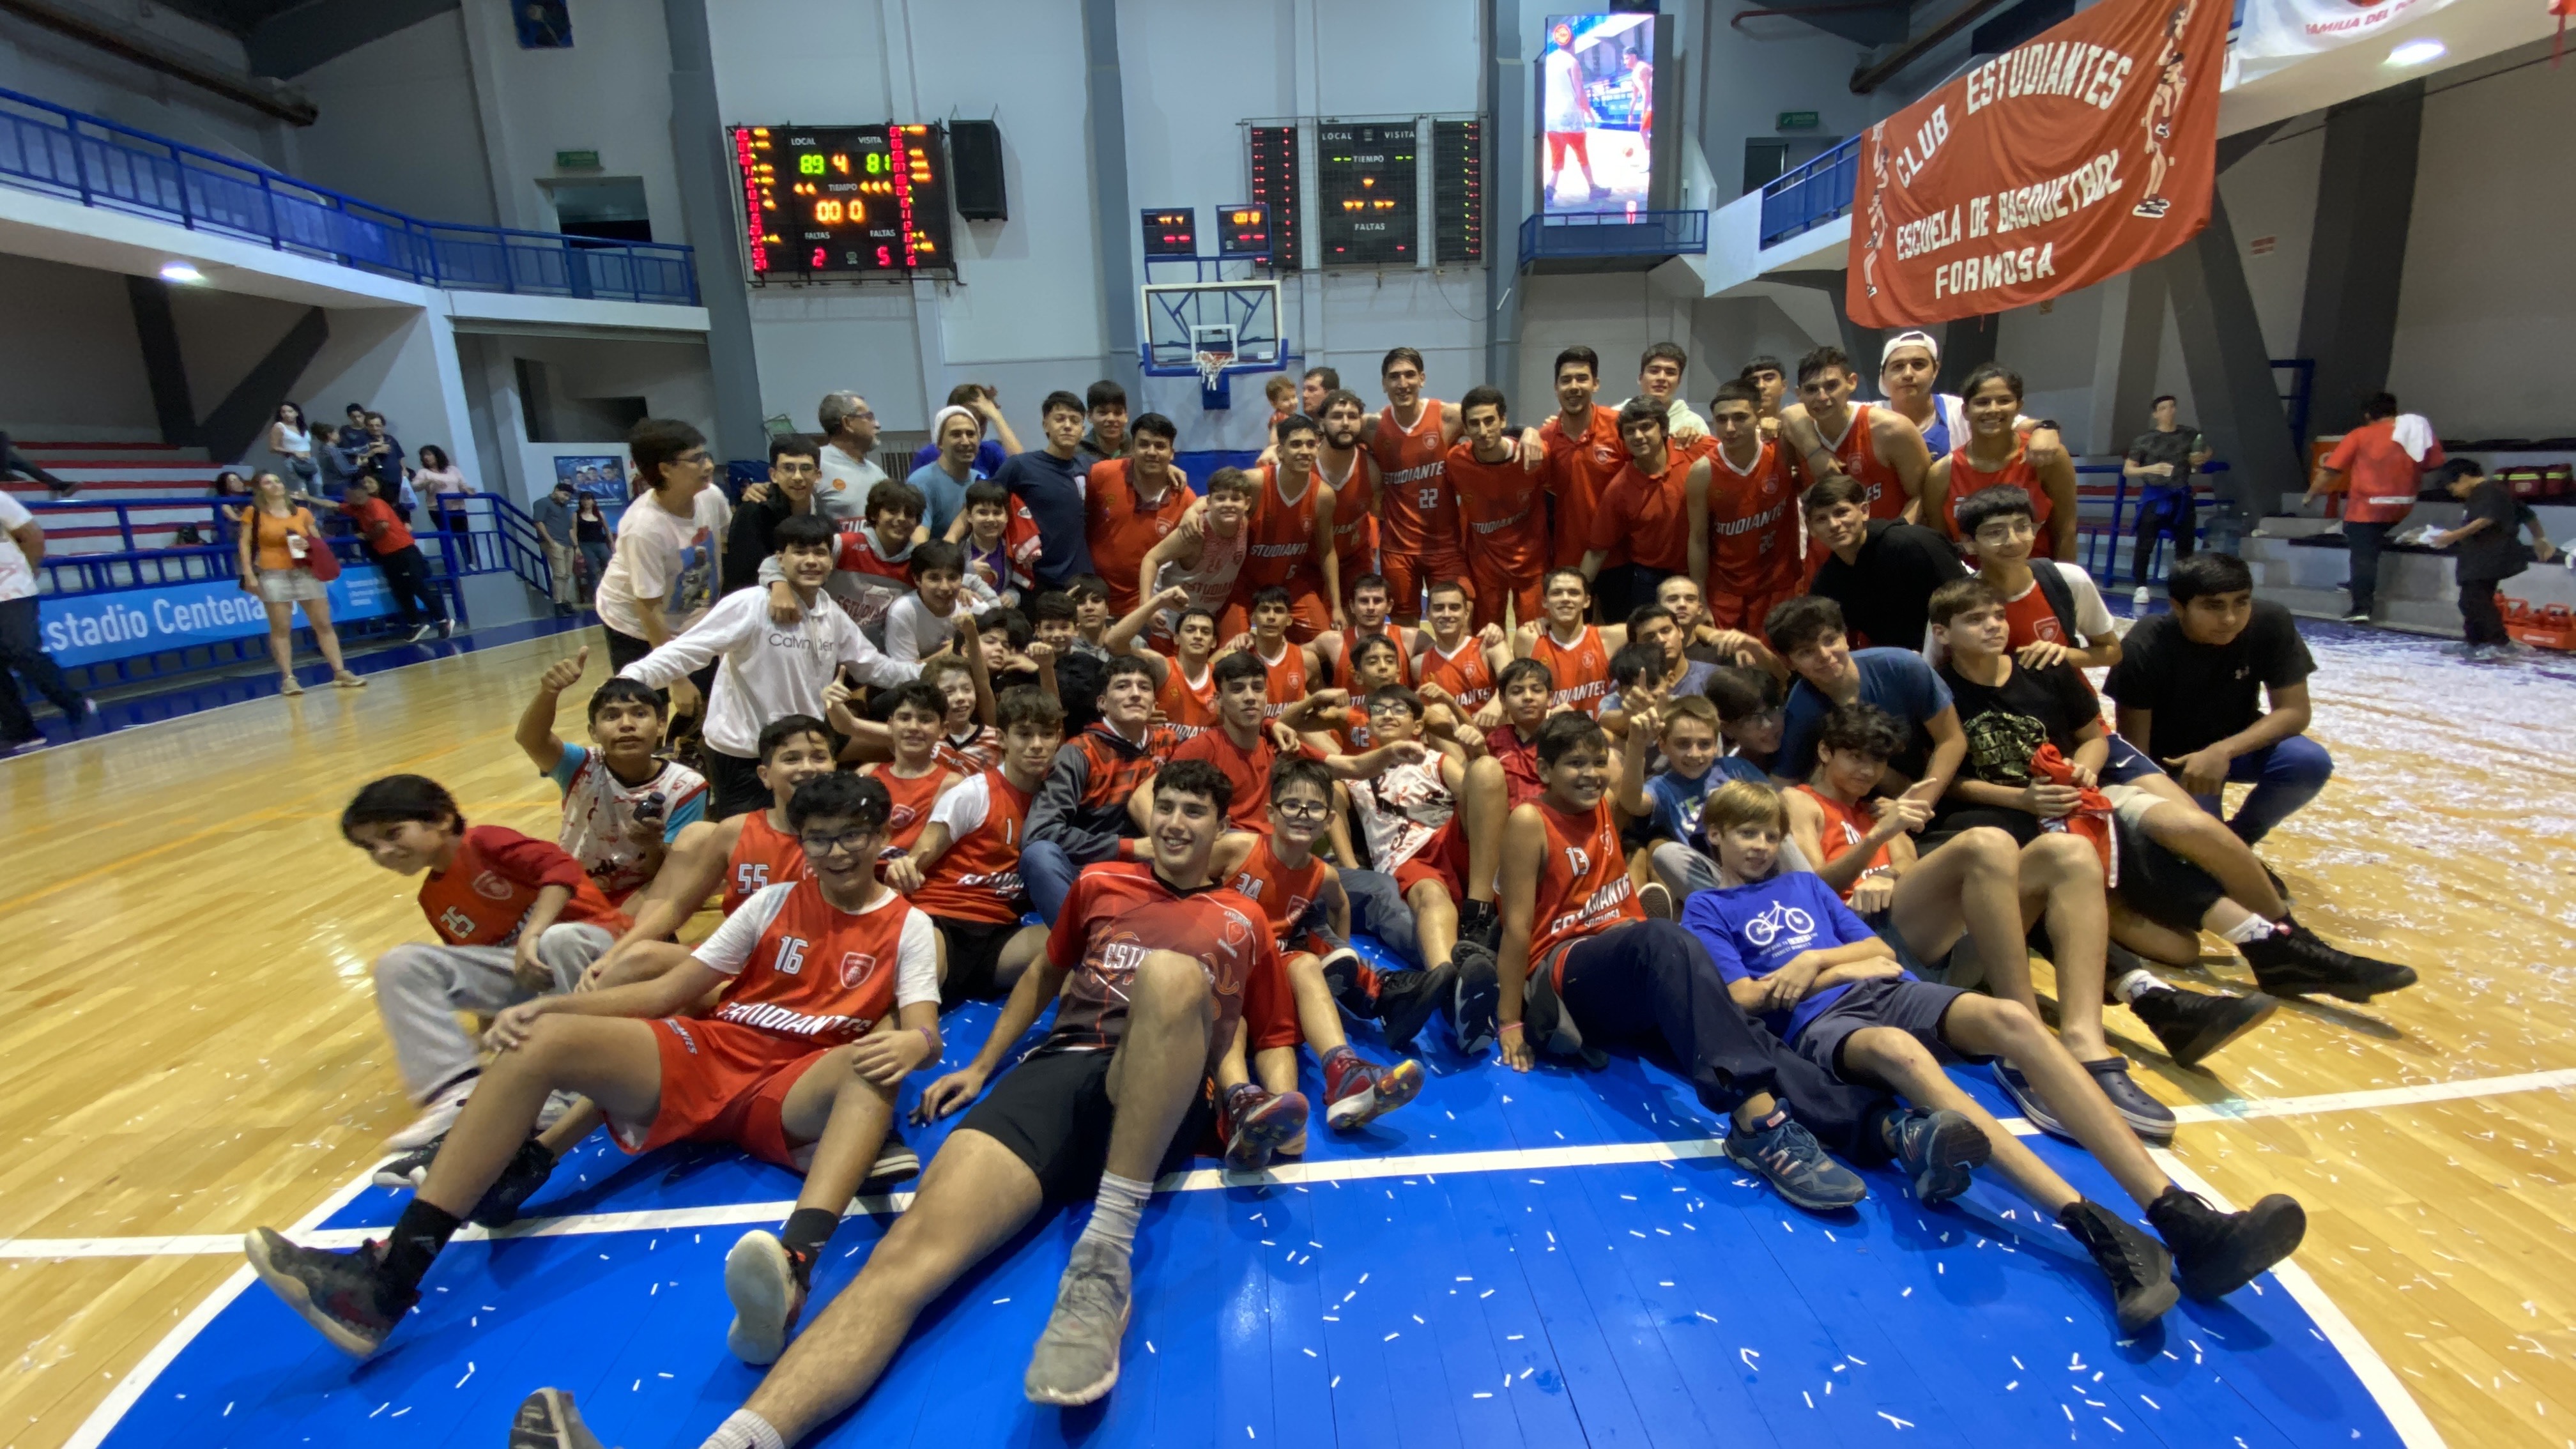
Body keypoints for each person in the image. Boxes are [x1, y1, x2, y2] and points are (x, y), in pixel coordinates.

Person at [505, 759, 1282, 1449]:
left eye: (1196, 813)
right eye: (1168, 809)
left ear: (1222, 831)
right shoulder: (1101, 885)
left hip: (1161, 1094)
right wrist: (981, 1064)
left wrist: (1271, 1102)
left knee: (1172, 978)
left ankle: (1105, 1253)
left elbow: (1272, 1029)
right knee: (902, 1260)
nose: (1178, 823)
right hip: (1058, 1073)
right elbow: (1045, 980)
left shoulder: (1244, 921)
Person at [247, 775, 940, 1363]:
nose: (837, 850)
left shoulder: (907, 925)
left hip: (794, 1085)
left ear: (882, 838)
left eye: (853, 834)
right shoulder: (771, 903)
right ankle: (388, 1282)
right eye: (819, 837)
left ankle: (794, 1267)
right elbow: (670, 994)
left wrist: (914, 1047)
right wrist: (554, 1013)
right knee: (540, 1044)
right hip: (716, 1051)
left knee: (870, 1066)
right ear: (802, 843)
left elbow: (922, 1034)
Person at [1681, 780, 2306, 1331]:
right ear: (1716, 836)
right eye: (1746, 834)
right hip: (1825, 1026)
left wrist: (1812, 961)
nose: (1761, 845)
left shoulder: (1805, 887)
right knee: (1899, 1053)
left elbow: (1884, 957)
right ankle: (2099, 1233)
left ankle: (2181, 1217)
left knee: (2012, 1016)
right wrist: (1821, 973)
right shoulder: (1708, 907)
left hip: (1889, 991)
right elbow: (1746, 995)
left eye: (1770, 834)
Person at [1487, 712, 1883, 1211]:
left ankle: (1879, 1126)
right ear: (1543, 771)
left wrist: (1634, 741)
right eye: (1573, 765)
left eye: (1596, 763)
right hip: (1566, 968)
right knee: (1666, 939)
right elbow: (1519, 926)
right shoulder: (1530, 820)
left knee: (1734, 1027)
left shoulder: (1606, 803)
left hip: (1628, 963)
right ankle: (1758, 1127)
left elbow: (1629, 792)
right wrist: (1509, 1021)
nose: (1590, 773)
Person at [329, 774, 629, 1151]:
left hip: (603, 956)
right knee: (399, 963)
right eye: (370, 847)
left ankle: (577, 1081)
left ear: (441, 819)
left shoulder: (485, 841)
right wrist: (490, 1035)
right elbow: (487, 971)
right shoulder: (433, 899)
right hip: (540, 983)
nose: (383, 853)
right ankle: (455, 1093)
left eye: (393, 834)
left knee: (558, 938)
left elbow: (562, 870)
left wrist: (532, 934)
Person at [623, 513, 920, 820]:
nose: (811, 561)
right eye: (800, 552)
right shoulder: (751, 604)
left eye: (819, 553)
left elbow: (873, 667)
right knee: (747, 843)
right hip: (744, 753)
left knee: (902, 747)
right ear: (780, 558)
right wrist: (629, 680)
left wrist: (929, 674)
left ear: (831, 562)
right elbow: (686, 651)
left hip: (802, 748)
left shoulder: (830, 613)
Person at [1210, 756, 1426, 1165]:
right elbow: (1186, 882)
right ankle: (1238, 1101)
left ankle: (1342, 1073)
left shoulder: (1321, 874)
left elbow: (1341, 905)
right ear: (1272, 813)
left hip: (1272, 970)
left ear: (1329, 820)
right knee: (1233, 1017)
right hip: (1223, 966)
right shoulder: (1238, 848)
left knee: (1307, 965)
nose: (1302, 815)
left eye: (1314, 809)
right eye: (1292, 805)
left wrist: (1341, 951)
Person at [585, 714, 837, 985]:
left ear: (835, 767)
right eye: (791, 759)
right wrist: (613, 955)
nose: (808, 767)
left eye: (819, 757)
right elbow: (678, 907)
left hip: (816, 965)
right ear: (765, 776)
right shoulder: (734, 832)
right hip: (740, 964)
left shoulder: (853, 836)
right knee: (638, 959)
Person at [2105, 553, 2331, 846]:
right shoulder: (2146, 644)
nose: (2230, 619)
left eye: (2242, 602)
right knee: (2196, 843)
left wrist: (2221, 752)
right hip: (2173, 762)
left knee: (2309, 761)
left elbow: (2295, 711)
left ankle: (2242, 841)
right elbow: (2138, 751)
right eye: (2213, 606)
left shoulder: (2270, 623)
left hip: (2239, 745)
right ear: (2178, 607)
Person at [1331, 683, 1496, 1046]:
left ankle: (1480, 913)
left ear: (1418, 726)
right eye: (1379, 711)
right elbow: (1327, 802)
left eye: (1398, 710)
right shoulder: (1355, 773)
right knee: (1430, 895)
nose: (1387, 715)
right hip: (1408, 858)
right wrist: (1351, 866)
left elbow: (1477, 792)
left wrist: (1476, 748)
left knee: (1486, 769)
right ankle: (1455, 994)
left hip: (1454, 841)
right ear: (1369, 726)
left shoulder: (1436, 760)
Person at [888, 685, 1064, 1006]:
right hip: (941, 920)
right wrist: (902, 870)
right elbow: (915, 863)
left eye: (1046, 735)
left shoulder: (1056, 802)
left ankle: (1070, 1045)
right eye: (1024, 735)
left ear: (1058, 739)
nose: (1036, 745)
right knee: (914, 1002)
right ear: (1001, 739)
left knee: (1082, 947)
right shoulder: (972, 792)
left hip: (1000, 936)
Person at [516, 650, 708, 904]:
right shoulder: (581, 765)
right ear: (593, 732)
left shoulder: (687, 786)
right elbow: (531, 739)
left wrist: (653, 846)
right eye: (611, 716)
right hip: (575, 888)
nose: (626, 724)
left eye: (640, 714)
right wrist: (549, 692)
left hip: (641, 895)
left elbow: (670, 875)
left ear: (661, 724)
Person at [1020, 654, 1179, 921]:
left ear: (1155, 702)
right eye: (1123, 686)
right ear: (1102, 703)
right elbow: (1040, 832)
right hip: (1088, 873)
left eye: (1144, 687)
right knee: (1039, 855)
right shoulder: (1079, 752)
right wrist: (1128, 847)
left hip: (1152, 868)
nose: (1135, 694)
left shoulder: (1170, 743)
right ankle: (1082, 950)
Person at [1765, 594, 1963, 807]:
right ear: (1790, 663)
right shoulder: (1801, 709)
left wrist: (1919, 804)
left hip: (1933, 789)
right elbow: (1783, 784)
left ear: (1845, 636)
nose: (1824, 655)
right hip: (1864, 809)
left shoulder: (1901, 667)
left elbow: (1952, 739)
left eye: (1830, 640)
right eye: (1806, 652)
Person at [593, 419, 723, 700]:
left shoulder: (711, 497)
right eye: (696, 459)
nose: (709, 465)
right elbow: (647, 607)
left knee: (710, 703)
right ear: (665, 469)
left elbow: (725, 547)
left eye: (706, 455)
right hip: (636, 626)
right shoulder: (644, 528)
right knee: (650, 706)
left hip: (691, 618)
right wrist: (675, 678)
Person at [1618, 692, 1768, 909]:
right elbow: (1632, 803)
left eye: (1704, 744)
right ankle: (1726, 912)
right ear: (1663, 745)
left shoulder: (1736, 768)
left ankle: (1809, 894)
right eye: (1683, 744)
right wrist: (1636, 746)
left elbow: (1776, 809)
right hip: (1717, 879)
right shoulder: (1663, 787)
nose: (1694, 754)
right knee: (1665, 853)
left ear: (1716, 745)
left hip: (1762, 861)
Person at [2308, 392, 2444, 623]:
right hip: (2403, 505)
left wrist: (2310, 494)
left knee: (2363, 555)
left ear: (2368, 414)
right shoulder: (2416, 431)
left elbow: (2332, 470)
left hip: (2368, 506)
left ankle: (2361, 607)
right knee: (2369, 546)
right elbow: (2433, 463)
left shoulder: (2361, 435)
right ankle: (2360, 582)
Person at [1951, 486, 2119, 670]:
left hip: (2064, 697)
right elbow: (1935, 672)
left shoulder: (2068, 580)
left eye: (2022, 527)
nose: (2013, 541)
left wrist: (2062, 655)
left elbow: (2112, 651)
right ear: (1969, 543)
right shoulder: (1956, 600)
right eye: (1995, 532)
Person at [1924, 364, 2080, 562]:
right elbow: (1940, 547)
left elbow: (2066, 530)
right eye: (1982, 402)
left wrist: (2063, 585)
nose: (1993, 409)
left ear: (2019, 406)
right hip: (1972, 584)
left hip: (2035, 578)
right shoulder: (1942, 473)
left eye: (2004, 401)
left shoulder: (2048, 458)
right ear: (1965, 411)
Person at [1687, 380, 1802, 632]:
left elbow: (1804, 417)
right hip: (1727, 590)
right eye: (1722, 419)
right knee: (1728, 667)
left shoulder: (1783, 450)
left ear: (1758, 417)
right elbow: (1697, 539)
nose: (1730, 428)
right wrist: (1700, 598)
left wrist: (1780, 423)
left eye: (1740, 418)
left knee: (1780, 664)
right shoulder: (1702, 472)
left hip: (1780, 582)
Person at [1364, 348, 1469, 624]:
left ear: (1422, 378)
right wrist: (1274, 446)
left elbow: (1494, 427)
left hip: (1446, 545)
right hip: (1398, 547)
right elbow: (1327, 431)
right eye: (1394, 377)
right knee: (1403, 627)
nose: (1403, 383)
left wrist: (1529, 433)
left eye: (1410, 375)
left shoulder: (1450, 416)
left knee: (1458, 624)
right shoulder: (1373, 427)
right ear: (1384, 384)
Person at [1802, 474, 1965, 651]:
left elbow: (1967, 603)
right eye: (1821, 519)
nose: (1833, 524)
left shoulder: (1913, 544)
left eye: (1841, 512)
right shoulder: (1828, 582)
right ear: (1811, 529)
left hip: (1958, 652)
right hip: (1898, 666)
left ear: (1864, 511)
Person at [234, 470, 362, 694]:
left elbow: (318, 541)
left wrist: (309, 544)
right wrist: (249, 573)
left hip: (305, 570)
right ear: (260, 489)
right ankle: (288, 678)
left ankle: (340, 671)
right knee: (281, 628)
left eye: (277, 480)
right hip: (272, 572)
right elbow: (244, 544)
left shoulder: (301, 512)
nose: (275, 485)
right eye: (268, 482)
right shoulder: (253, 513)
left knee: (323, 624)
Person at [1775, 346, 1931, 523]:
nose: (1822, 397)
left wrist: (1893, 540)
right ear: (1799, 394)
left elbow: (1923, 496)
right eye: (1812, 390)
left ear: (1852, 382)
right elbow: (1788, 414)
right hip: (1826, 548)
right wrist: (1814, 453)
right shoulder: (1796, 436)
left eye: (1831, 386)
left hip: (1885, 543)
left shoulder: (1892, 429)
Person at [1579, 397, 1703, 621]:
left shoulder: (1695, 451)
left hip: (1699, 572)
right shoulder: (1619, 489)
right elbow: (1597, 551)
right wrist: (1576, 595)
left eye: (1646, 427)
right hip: (1649, 579)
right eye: (1630, 431)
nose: (1638, 436)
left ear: (1664, 428)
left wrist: (1774, 426)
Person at [768, 477, 925, 642]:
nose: (901, 519)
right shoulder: (845, 544)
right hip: (823, 640)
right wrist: (780, 588)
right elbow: (772, 563)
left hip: (873, 653)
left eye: (909, 514)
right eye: (892, 511)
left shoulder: (918, 562)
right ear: (874, 514)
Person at [0, 487, 93, 752]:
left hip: (12, 589)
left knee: (23, 650)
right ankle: (20, 730)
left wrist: (27, 572)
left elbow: (32, 535)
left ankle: (74, 703)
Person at [1230, 418, 1338, 641]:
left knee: (1327, 644)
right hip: (1242, 586)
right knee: (1233, 651)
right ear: (1280, 451)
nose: (1305, 451)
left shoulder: (1323, 495)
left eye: (1311, 444)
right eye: (1296, 444)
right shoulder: (1255, 481)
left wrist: (1337, 607)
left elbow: (1327, 551)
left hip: (1289, 586)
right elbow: (1216, 499)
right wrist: (1196, 509)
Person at [1080, 412, 1190, 617]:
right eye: (1144, 444)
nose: (1151, 452)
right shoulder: (1101, 474)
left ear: (1172, 453)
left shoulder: (1186, 500)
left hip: (1148, 608)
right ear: (1132, 448)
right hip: (1093, 603)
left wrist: (1198, 507)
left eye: (1160, 446)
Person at [1538, 346, 1629, 579]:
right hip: (1568, 560)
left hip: (1622, 558)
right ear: (1556, 388)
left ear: (1595, 384)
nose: (1574, 387)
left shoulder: (1622, 428)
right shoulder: (1543, 440)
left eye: (1582, 379)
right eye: (1566, 380)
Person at [1140, 468, 1254, 650]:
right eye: (1221, 498)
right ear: (1210, 502)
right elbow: (1151, 559)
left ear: (1247, 503)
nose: (1228, 504)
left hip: (1206, 619)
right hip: (1169, 623)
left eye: (1235, 499)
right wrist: (1146, 607)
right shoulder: (1195, 532)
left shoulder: (1244, 524)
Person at [2428, 458, 2526, 660]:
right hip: (2478, 554)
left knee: (2476, 600)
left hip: (2491, 554)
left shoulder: (2489, 491)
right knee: (2470, 600)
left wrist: (2454, 535)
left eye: (2453, 486)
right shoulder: (2481, 494)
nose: (2453, 492)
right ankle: (2475, 641)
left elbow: (2486, 519)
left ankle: (2501, 643)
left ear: (2463, 478)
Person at [996, 390, 1094, 590]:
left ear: (1083, 430)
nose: (1068, 426)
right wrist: (952, 540)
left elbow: (1129, 470)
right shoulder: (1020, 466)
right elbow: (980, 501)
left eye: (1075, 421)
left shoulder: (1091, 467)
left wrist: (1168, 468)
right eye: (1060, 419)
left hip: (1080, 579)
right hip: (1035, 580)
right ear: (1045, 425)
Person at [337, 476, 448, 641]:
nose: (347, 498)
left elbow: (383, 525)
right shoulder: (356, 509)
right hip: (388, 555)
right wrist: (306, 498)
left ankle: (442, 620)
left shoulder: (376, 504)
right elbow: (334, 506)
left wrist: (367, 536)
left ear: (360, 493)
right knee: (401, 591)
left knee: (418, 586)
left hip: (404, 551)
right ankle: (414, 625)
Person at [2124, 394, 2210, 597]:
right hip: (2155, 495)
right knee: (2145, 542)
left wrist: (2200, 458)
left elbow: (2205, 451)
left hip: (2181, 494)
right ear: (2155, 414)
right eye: (2163, 408)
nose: (2169, 411)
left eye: (2172, 407)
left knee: (2185, 544)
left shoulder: (2189, 434)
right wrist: (2152, 468)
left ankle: (2182, 587)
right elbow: (2128, 470)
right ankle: (2141, 586)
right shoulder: (2144, 440)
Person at [1515, 567, 1629, 718]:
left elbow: (1657, 625)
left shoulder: (1613, 637)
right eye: (1557, 593)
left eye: (1574, 593)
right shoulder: (1529, 639)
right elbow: (1514, 695)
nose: (1565, 599)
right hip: (1551, 735)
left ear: (1587, 601)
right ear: (1544, 602)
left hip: (1599, 736)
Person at [724, 436, 824, 597]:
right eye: (788, 468)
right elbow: (743, 578)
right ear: (774, 475)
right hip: (762, 605)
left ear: (818, 475)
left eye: (805, 468)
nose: (798, 477)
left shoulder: (823, 509)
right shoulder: (754, 511)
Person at [1314, 389, 1381, 604]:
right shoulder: (1304, 464)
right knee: (1320, 633)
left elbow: (1382, 510)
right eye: (1337, 416)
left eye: (1352, 417)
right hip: (1310, 564)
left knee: (1364, 625)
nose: (1345, 423)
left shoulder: (1372, 467)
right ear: (1322, 422)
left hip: (1355, 559)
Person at [879, 540, 974, 664]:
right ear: (918, 579)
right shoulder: (904, 611)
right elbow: (906, 673)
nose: (945, 587)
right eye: (934, 578)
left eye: (952, 578)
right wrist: (954, 649)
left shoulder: (970, 604)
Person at [1315, 572, 1413, 689]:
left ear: (1389, 605)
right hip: (1349, 708)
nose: (1371, 608)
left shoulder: (1410, 639)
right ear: (1352, 606)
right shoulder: (1333, 641)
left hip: (1395, 707)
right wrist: (1317, 697)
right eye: (1364, 601)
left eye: (1377, 601)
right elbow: (1293, 658)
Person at [1539, 20, 1602, 203]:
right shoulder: (1573, 62)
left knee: (1557, 158)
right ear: (1573, 42)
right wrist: (1589, 112)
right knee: (1582, 154)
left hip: (1551, 119)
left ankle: (1550, 189)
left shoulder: (1549, 61)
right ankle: (1593, 187)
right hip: (1571, 119)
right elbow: (1580, 91)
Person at [908, 405, 988, 541]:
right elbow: (919, 544)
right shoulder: (921, 483)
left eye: (971, 434)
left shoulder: (980, 480)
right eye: (956, 434)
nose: (965, 441)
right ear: (939, 442)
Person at [813, 391, 887, 525]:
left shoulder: (877, 473)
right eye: (869, 417)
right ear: (847, 423)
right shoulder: (815, 464)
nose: (877, 424)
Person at [1621, 341, 1707, 441]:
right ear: (1640, 378)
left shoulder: (1693, 424)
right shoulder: (1617, 415)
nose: (1662, 378)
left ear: (1679, 381)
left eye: (1670, 373)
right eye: (1654, 371)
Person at [533, 477, 583, 614]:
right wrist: (550, 542)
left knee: (567, 574)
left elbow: (570, 528)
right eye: (565, 495)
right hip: (555, 543)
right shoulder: (542, 503)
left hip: (567, 543)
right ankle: (558, 604)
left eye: (569, 497)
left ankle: (565, 601)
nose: (566, 499)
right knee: (559, 574)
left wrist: (576, 546)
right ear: (556, 491)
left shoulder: (564, 507)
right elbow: (538, 522)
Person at [412, 444, 469, 534]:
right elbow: (415, 487)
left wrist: (467, 490)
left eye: (429, 454)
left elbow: (462, 485)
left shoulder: (453, 469)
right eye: (423, 456)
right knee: (447, 539)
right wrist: (430, 481)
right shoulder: (424, 472)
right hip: (439, 510)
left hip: (458, 509)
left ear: (437, 455)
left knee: (464, 538)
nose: (426, 458)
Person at [1077, 379, 1130, 465]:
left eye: (1118, 413)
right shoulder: (1077, 454)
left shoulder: (1136, 448)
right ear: (1090, 416)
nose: (1111, 419)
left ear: (1126, 416)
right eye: (1103, 413)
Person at [268, 402, 317, 491]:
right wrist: (293, 452)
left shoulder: (302, 426)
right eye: (283, 412)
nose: (287, 414)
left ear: (296, 413)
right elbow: (273, 448)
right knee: (300, 490)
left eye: (290, 411)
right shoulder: (279, 426)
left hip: (310, 460)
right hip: (293, 461)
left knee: (317, 489)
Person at [574, 493, 611, 599]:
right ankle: (597, 596)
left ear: (593, 501)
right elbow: (573, 532)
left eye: (589, 499)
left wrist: (612, 544)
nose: (586, 502)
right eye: (584, 500)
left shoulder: (600, 514)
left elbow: (607, 530)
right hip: (585, 545)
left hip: (600, 543)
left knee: (611, 564)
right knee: (593, 569)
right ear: (580, 502)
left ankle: (612, 593)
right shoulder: (576, 515)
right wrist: (576, 547)